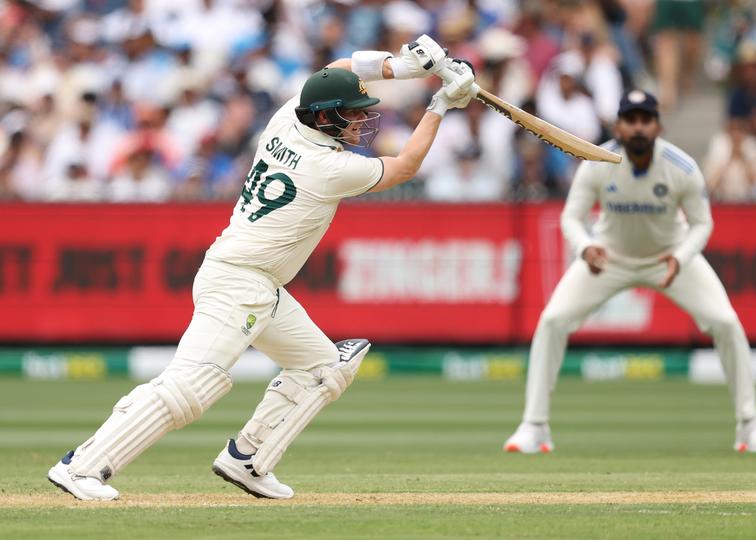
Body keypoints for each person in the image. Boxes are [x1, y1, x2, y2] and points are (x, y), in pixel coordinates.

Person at [47, 35, 476, 501]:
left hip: (258, 284)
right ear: (326, 116)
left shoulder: (286, 118)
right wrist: (440, 103)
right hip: (239, 281)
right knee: (194, 383)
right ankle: (83, 466)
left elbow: (337, 66)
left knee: (322, 367)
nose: (360, 119)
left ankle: (248, 458)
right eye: (351, 113)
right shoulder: (330, 167)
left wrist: (406, 68)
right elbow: (406, 166)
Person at [503, 89, 756, 455]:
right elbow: (571, 217)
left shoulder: (682, 167)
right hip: (609, 259)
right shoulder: (596, 162)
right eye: (630, 120)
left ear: (658, 126)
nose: (637, 128)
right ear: (618, 125)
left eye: (645, 120)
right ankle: (534, 426)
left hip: (669, 258)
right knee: (552, 320)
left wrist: (681, 258)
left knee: (727, 323)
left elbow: (702, 224)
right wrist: (585, 247)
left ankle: (751, 424)